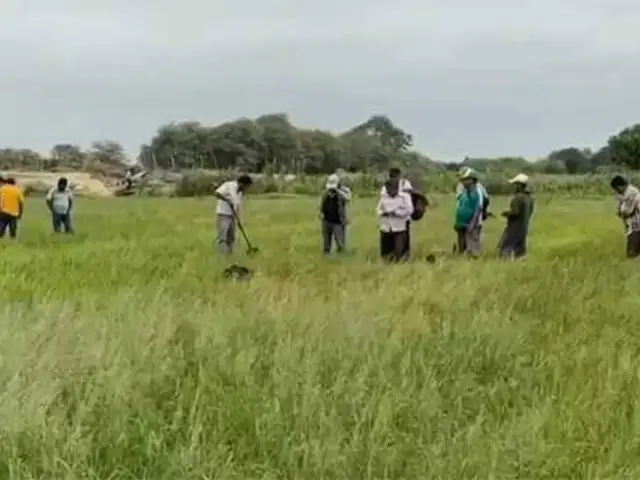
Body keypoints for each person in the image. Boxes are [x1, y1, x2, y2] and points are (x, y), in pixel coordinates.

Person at [214, 174, 253, 255]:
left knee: (231, 238)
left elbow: (238, 206)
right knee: (223, 237)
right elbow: (217, 193)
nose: (247, 189)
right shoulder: (228, 185)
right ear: (242, 184)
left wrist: (239, 220)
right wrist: (227, 200)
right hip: (223, 214)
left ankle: (229, 255)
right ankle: (222, 255)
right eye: (247, 186)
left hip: (232, 216)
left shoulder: (240, 193)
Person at [498, 173, 535, 258]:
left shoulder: (517, 197)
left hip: (514, 227)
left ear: (519, 185)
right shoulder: (530, 198)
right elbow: (530, 211)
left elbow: (515, 212)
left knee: (506, 247)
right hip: (524, 226)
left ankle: (503, 265)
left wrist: (506, 213)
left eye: (515, 184)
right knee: (521, 250)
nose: (513, 186)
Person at [377, 177, 413, 262]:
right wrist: (383, 213)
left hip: (399, 227)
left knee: (398, 253)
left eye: (393, 188)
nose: (390, 191)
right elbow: (378, 209)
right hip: (386, 227)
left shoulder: (404, 196)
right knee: (386, 253)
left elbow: (409, 210)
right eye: (388, 189)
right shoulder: (384, 197)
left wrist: (397, 213)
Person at [454, 169, 482, 257]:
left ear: (472, 180)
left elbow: (477, 209)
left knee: (471, 247)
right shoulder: (465, 192)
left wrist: (472, 223)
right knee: (462, 245)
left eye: (465, 180)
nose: (463, 182)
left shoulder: (475, 193)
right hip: (461, 223)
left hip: (469, 224)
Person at [610, 174, 640, 258]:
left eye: (616, 189)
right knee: (632, 253)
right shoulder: (628, 192)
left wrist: (621, 203)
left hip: (636, 225)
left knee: (632, 253)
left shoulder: (630, 193)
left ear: (620, 186)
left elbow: (626, 211)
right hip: (634, 225)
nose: (616, 191)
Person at [319, 174, 349, 254]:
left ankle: (341, 255)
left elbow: (347, 198)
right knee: (326, 241)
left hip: (338, 222)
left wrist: (337, 191)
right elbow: (322, 203)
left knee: (340, 242)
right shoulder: (325, 192)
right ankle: (326, 253)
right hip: (326, 220)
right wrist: (321, 213)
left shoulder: (343, 191)